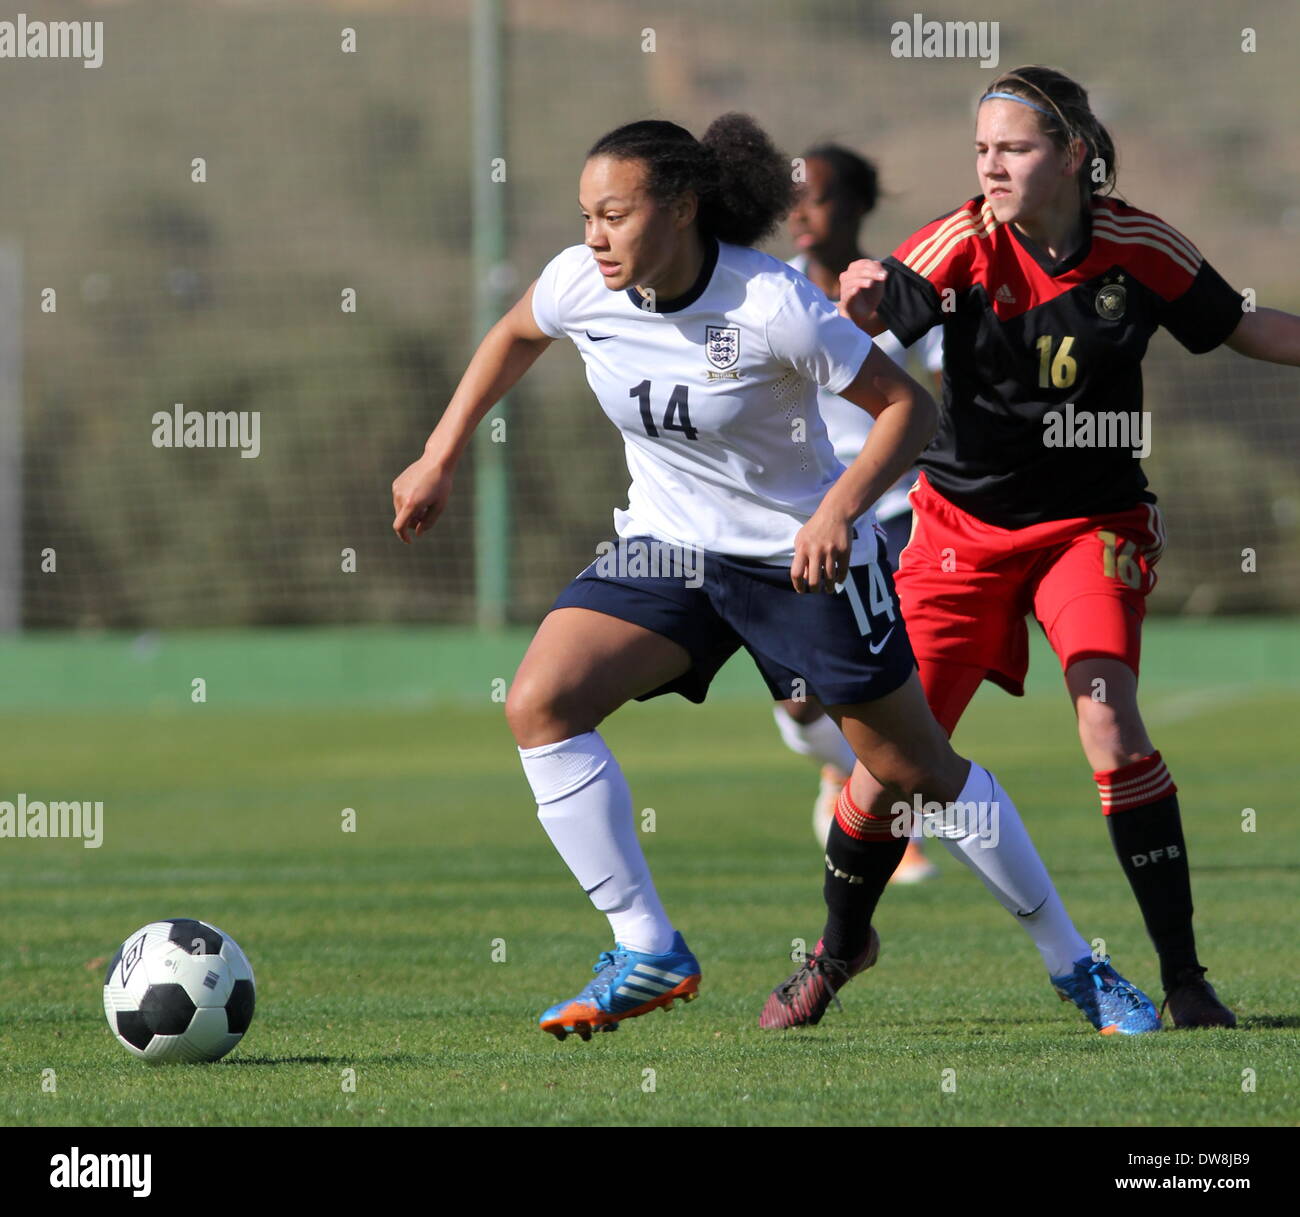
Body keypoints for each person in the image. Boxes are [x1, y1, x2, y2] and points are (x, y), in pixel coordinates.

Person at [391, 113, 1149, 1043]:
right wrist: (439, 453)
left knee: (915, 773)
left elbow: (907, 409)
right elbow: (515, 332)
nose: (594, 235)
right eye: (585, 214)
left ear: (681, 208)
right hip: (669, 551)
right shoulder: (580, 283)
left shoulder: (771, 303)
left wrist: (837, 513)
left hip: (798, 560)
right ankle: (648, 946)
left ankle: (1077, 965)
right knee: (540, 701)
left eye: (614, 215)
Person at [813, 64, 1300, 1028]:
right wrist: (862, 301)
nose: (992, 166)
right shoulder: (958, 244)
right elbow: (878, 321)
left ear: (1074, 156)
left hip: (1093, 525)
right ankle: (833, 954)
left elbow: (1241, 328)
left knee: (1110, 721)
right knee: (892, 762)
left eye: (1015, 148)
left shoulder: (1139, 246)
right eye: (982, 149)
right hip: (962, 529)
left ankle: (1185, 978)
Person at [780, 143, 942, 877]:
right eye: (791, 198)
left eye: (817, 196)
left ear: (855, 206)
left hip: (894, 512)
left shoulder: (903, 292)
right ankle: (840, 775)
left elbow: (944, 394)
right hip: (793, 519)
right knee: (799, 699)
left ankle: (885, 813)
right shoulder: (770, 294)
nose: (801, 212)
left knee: (893, 683)